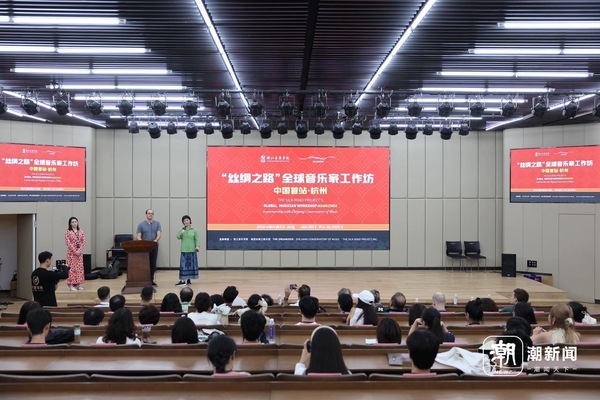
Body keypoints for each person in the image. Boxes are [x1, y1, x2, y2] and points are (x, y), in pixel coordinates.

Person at [136, 209, 162, 286]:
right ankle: (144, 279)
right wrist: (142, 243)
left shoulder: (157, 224)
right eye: (149, 213)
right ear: (146, 215)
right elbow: (138, 236)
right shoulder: (141, 224)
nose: (150, 215)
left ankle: (151, 280)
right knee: (144, 264)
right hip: (144, 247)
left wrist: (155, 240)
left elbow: (159, 234)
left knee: (153, 263)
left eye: (152, 213)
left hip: (154, 246)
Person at [176, 214, 200, 286]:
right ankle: (182, 280)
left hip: (192, 250)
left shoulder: (194, 230)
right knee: (184, 266)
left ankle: (188, 279)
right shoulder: (181, 229)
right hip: (184, 250)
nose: (186, 222)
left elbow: (197, 239)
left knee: (191, 266)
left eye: (187, 220)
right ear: (183, 222)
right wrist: (181, 233)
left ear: (190, 221)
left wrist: (197, 246)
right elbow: (178, 237)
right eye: (184, 221)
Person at [65, 216, 86, 291]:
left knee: (79, 269)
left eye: (75, 222)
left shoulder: (81, 231)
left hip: (79, 254)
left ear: (77, 222)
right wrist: (75, 251)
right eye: (72, 222)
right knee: (71, 269)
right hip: (71, 254)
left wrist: (79, 250)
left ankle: (78, 285)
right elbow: (68, 243)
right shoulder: (68, 232)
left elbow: (83, 241)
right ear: (70, 223)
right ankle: (71, 285)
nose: (74, 223)